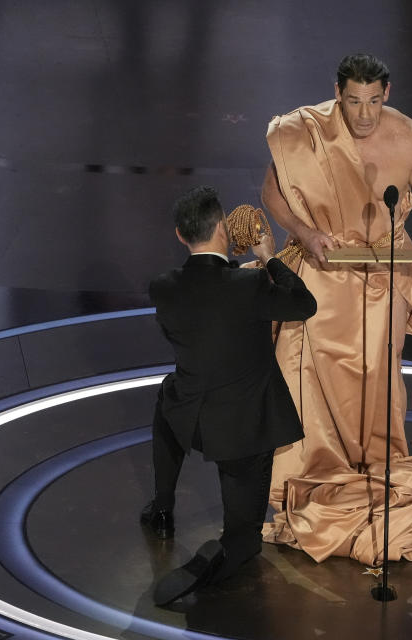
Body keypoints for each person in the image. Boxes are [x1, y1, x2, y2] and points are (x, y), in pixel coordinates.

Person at [259, 53, 412, 566]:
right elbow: (271, 192)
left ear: (388, 92)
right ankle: (310, 473)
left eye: (373, 101)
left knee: (375, 379)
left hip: (383, 277)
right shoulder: (303, 132)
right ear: (337, 93)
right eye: (353, 101)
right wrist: (302, 232)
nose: (363, 114)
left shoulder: (411, 137)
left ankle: (372, 465)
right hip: (320, 270)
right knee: (309, 381)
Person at [142, 185, 317, 605]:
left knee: (166, 399)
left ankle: (162, 510)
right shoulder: (248, 286)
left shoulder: (162, 287)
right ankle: (236, 546)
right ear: (224, 228)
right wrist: (268, 256)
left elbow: (196, 314)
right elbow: (303, 304)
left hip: (189, 414)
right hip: (241, 426)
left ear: (181, 237)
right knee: (245, 539)